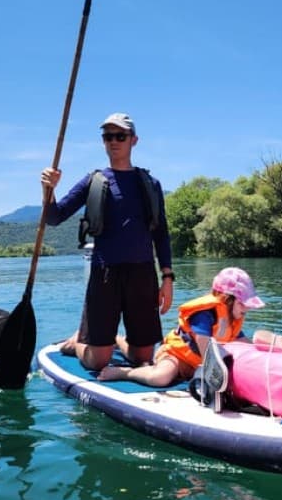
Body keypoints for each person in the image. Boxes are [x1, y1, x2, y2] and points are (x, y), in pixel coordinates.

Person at [42, 112, 174, 371]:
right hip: (105, 274)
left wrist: (167, 278)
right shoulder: (93, 180)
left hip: (142, 274)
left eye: (120, 136)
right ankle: (77, 343)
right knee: (98, 362)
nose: (114, 141)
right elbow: (54, 217)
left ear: (133, 140)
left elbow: (161, 233)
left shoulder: (150, 184)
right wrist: (49, 189)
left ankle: (114, 338)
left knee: (143, 359)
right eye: (108, 136)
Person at [97, 266, 264, 386]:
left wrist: (266, 355)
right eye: (243, 304)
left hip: (195, 365)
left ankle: (119, 340)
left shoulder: (232, 319)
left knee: (140, 357)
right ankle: (124, 372)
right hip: (176, 355)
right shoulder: (204, 315)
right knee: (160, 377)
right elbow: (207, 352)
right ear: (227, 299)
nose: (247, 308)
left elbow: (246, 345)